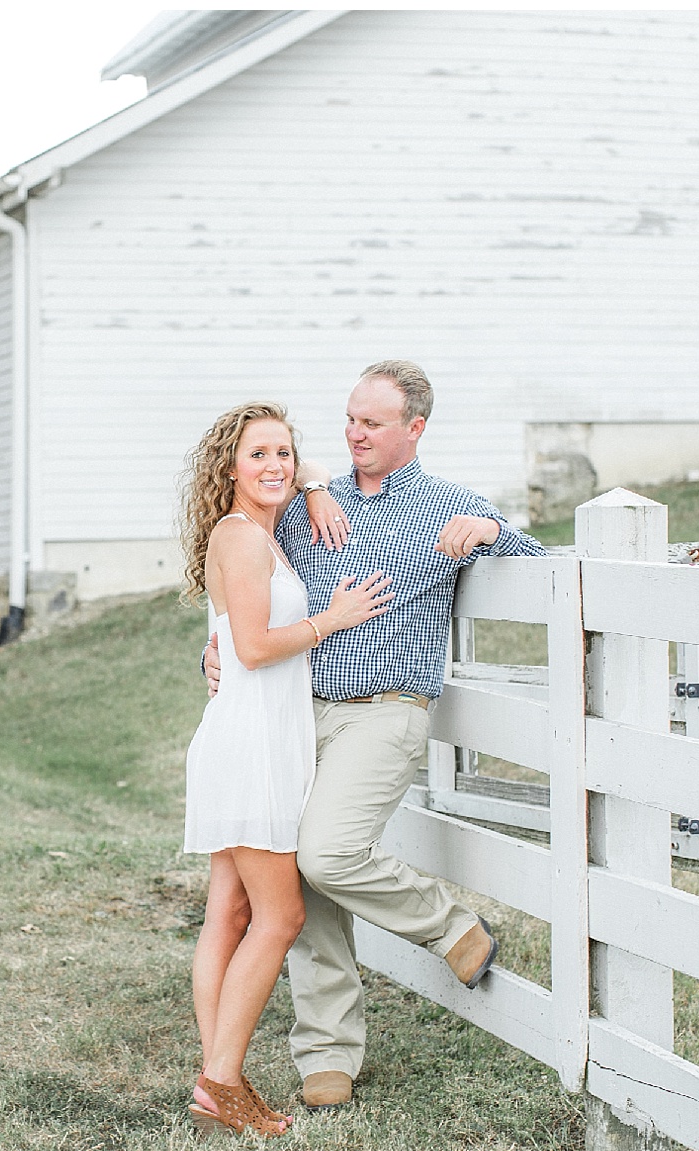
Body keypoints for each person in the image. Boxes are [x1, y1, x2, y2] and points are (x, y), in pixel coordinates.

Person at [203, 360, 547, 1112]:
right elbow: (253, 586)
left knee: (329, 852)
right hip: (297, 709)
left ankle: (448, 924)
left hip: (385, 709)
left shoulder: (448, 505)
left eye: (373, 422)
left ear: (415, 428)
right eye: (350, 419)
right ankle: (326, 1052)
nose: (355, 433)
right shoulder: (305, 505)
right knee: (301, 878)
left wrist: (493, 531)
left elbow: (541, 563)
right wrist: (216, 648)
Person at [177, 401, 393, 1137]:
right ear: (229, 467)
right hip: (252, 749)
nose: (274, 466)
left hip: (251, 737)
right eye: (258, 454)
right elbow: (254, 647)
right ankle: (221, 1082)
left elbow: (234, 639)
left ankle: (218, 1082)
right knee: (281, 916)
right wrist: (334, 617)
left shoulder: (255, 530)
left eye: (284, 453)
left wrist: (316, 482)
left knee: (231, 914)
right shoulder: (240, 538)